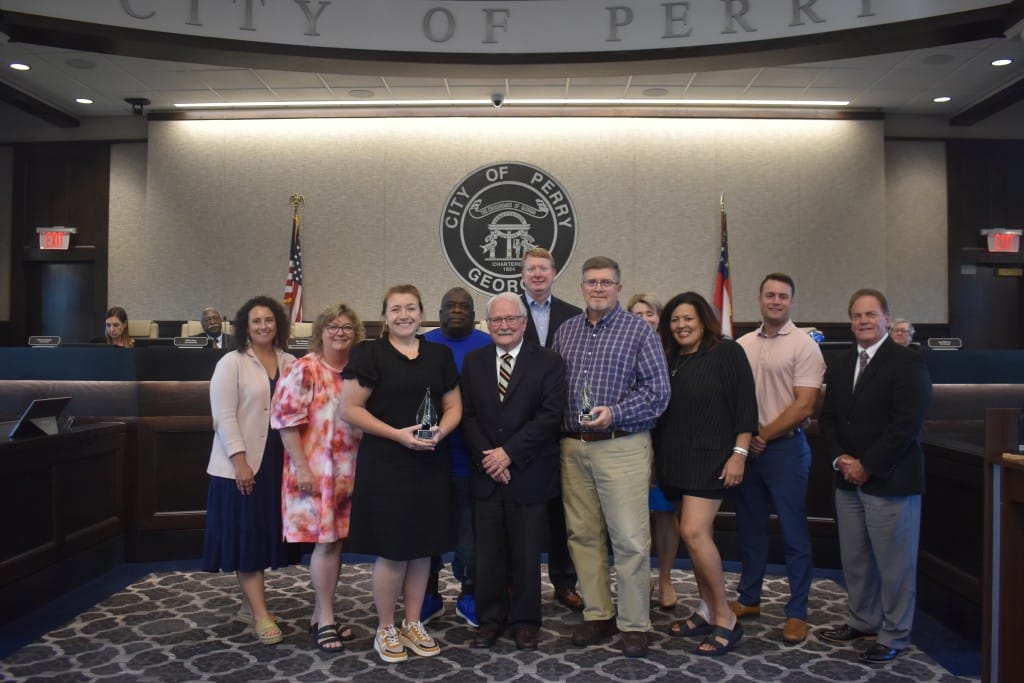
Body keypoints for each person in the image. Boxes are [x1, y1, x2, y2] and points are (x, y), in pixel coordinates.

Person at [553, 256, 670, 658]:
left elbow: (658, 392)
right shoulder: (566, 332)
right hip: (573, 446)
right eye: (591, 282)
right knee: (583, 535)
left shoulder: (639, 332)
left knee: (630, 539)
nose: (598, 288)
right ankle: (598, 613)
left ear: (619, 289)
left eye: (606, 282)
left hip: (622, 445)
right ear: (581, 287)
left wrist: (614, 413)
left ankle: (634, 623)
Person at [340, 284, 462, 664]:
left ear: (421, 313)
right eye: (395, 309)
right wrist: (398, 436)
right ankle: (386, 628)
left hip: (429, 462)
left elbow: (454, 406)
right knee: (394, 551)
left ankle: (413, 623)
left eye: (410, 308)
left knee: (423, 548)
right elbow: (350, 409)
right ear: (385, 315)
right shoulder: (369, 354)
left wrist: (440, 433)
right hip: (387, 464)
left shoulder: (439, 354)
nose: (404, 315)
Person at [817, 289, 931, 664]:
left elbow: (906, 425)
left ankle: (895, 633)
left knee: (895, 564)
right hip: (846, 478)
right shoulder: (840, 361)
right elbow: (829, 419)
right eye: (856, 315)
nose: (863, 321)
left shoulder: (907, 361)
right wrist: (841, 459)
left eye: (871, 314)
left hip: (890, 479)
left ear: (886, 319)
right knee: (856, 559)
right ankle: (862, 620)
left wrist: (867, 464)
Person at [460, 293, 566, 650]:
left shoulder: (549, 362)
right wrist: (491, 460)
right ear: (487, 324)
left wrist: (509, 455)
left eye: (510, 319)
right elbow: (468, 415)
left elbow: (550, 416)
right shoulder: (474, 362)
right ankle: (490, 620)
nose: (503, 325)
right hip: (487, 475)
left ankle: (525, 621)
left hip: (529, 473)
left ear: (523, 323)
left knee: (526, 554)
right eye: (496, 320)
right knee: (488, 554)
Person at [656, 291, 757, 657]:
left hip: (711, 459)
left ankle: (726, 617)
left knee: (693, 532)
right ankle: (705, 609)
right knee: (697, 539)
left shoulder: (727, 352)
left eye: (688, 318)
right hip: (674, 460)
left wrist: (739, 455)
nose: (681, 325)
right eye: (675, 320)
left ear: (703, 320)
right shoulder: (669, 357)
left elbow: (746, 407)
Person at [732, 273, 825, 645]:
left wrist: (764, 435)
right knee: (750, 527)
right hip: (747, 451)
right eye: (769, 295)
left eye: (782, 296)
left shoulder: (805, 346)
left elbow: (805, 405)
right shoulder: (741, 345)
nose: (775, 301)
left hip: (785, 450)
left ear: (791, 301)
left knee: (793, 530)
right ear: (759, 299)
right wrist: (746, 440)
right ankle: (749, 598)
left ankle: (797, 612)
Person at [201, 295, 296, 646]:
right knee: (247, 540)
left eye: (269, 320)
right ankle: (260, 614)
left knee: (260, 535)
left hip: (277, 462)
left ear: (278, 325)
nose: (263, 326)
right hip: (240, 466)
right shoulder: (232, 363)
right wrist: (239, 461)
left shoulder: (290, 362)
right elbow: (223, 416)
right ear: (245, 325)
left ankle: (248, 604)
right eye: (256, 321)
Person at [271, 303, 363, 653]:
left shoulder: (357, 371)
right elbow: (286, 422)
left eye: (347, 327)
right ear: (320, 332)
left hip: (349, 472)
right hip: (314, 472)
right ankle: (325, 619)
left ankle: (319, 614)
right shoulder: (305, 368)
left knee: (335, 543)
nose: (340, 333)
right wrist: (302, 468)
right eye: (333, 327)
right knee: (325, 543)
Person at [421, 287, 492, 627]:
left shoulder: (487, 344)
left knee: (470, 537)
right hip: (427, 459)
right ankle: (428, 595)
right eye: (451, 305)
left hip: (471, 460)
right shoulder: (423, 343)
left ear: (474, 314)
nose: (457, 310)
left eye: (465, 306)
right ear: (440, 311)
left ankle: (469, 594)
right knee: (426, 530)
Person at [519, 246, 585, 612]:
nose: (538, 274)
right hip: (518, 428)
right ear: (522, 275)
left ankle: (565, 582)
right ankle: (519, 583)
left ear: (554, 273)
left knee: (563, 510)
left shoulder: (573, 316)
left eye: (543, 268)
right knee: (523, 513)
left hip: (562, 426)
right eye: (531, 269)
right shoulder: (508, 313)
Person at [627, 292, 679, 611]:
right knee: (634, 515)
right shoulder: (623, 350)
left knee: (664, 512)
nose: (644, 319)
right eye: (637, 314)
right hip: (632, 441)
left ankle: (665, 579)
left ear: (660, 318)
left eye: (650, 313)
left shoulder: (674, 354)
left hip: (668, 442)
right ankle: (640, 576)